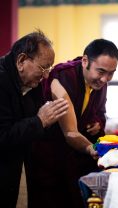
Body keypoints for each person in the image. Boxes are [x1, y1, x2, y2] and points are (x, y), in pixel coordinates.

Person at [26, 39, 118, 208]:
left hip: (77, 159)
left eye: (111, 73)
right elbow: (70, 133)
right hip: (50, 159)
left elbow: (100, 113)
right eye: (101, 71)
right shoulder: (61, 77)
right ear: (85, 61)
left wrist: (98, 123)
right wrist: (92, 148)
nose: (105, 79)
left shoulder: (99, 82)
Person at [0, 31, 69, 207]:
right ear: (22, 61)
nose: (46, 76)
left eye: (49, 69)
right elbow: (3, 135)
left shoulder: (31, 82)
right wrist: (40, 121)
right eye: (43, 68)